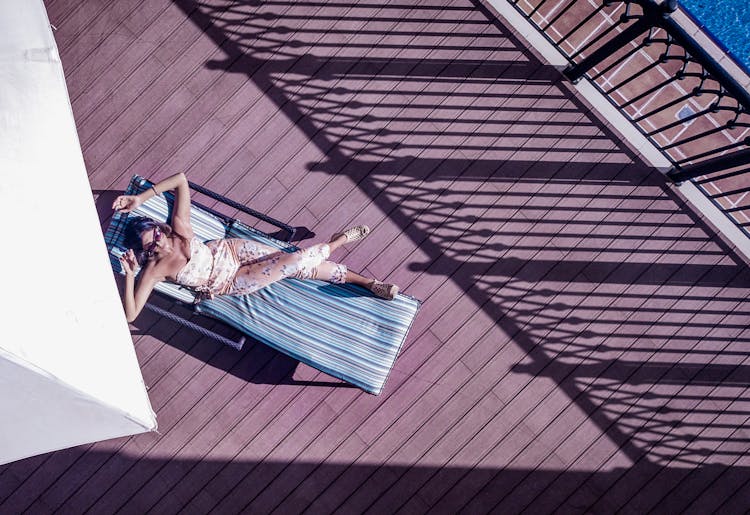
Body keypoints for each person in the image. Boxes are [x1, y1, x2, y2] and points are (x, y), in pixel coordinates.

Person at [113, 173, 399, 323]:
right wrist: (129, 275)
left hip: (231, 251)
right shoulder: (152, 271)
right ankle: (337, 245)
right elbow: (130, 314)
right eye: (151, 246)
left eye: (156, 235)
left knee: (294, 266)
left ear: (159, 229)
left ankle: (366, 280)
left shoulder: (179, 229)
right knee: (295, 262)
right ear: (145, 251)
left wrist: (141, 197)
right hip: (229, 282)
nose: (158, 243)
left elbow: (181, 179)